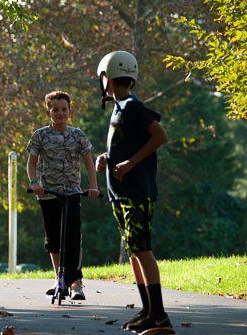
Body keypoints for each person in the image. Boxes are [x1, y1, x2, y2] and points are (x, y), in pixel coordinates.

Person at [95, 51, 173, 332]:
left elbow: (160, 135)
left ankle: (161, 316)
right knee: (134, 251)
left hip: (137, 191)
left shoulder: (131, 106)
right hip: (121, 192)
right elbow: (126, 145)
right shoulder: (120, 107)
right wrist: (107, 157)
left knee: (142, 248)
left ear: (108, 78)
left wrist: (131, 163)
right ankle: (148, 312)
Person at [26, 90, 99, 300]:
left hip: (72, 193)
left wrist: (93, 187)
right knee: (53, 240)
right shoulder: (40, 135)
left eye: (64, 109)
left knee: (73, 238)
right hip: (48, 193)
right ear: (48, 113)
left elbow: (88, 163)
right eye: (55, 110)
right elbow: (31, 163)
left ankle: (76, 283)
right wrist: (34, 183)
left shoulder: (78, 135)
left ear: (70, 111)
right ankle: (60, 278)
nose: (60, 113)